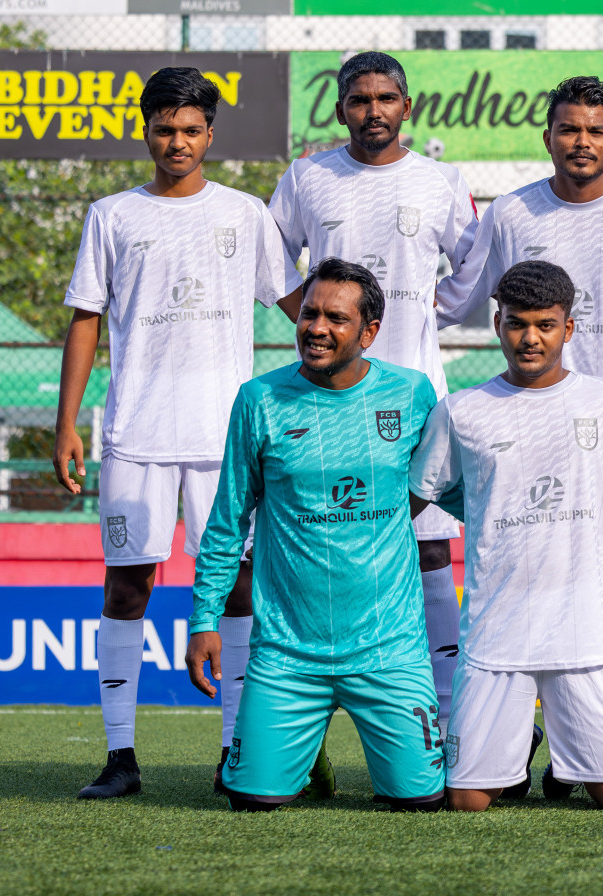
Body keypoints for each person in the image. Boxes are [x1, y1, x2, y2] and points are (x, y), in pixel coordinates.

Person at [435, 77, 603, 794]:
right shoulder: (511, 211)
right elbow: (455, 299)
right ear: (547, 136)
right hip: (523, 427)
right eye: (569, 129)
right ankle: (513, 739)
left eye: (595, 130)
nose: (582, 142)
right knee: (526, 589)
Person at [53, 67, 298, 800]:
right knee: (128, 585)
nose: (178, 142)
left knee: (239, 587)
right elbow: (86, 319)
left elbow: (297, 304)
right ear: (146, 131)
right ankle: (120, 756)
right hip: (136, 434)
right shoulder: (111, 215)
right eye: (165, 129)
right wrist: (67, 423)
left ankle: (233, 753)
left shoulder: (245, 214)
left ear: (210, 134)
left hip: (226, 441)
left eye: (192, 129)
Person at [185, 258, 447, 811]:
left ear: (369, 332)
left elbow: (448, 485)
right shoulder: (258, 399)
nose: (317, 328)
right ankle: (304, 751)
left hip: (389, 648)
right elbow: (228, 521)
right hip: (288, 653)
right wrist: (204, 618)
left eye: (336, 318)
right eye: (309, 313)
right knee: (252, 802)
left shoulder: (412, 393)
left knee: (420, 802)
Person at [266, 51, 478, 731]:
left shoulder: (441, 181)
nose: (373, 111)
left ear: (406, 107)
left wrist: (427, 316)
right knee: (318, 541)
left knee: (429, 546)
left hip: (413, 401)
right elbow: (270, 258)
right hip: (324, 399)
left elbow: (476, 267)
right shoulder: (307, 177)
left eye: (386, 99)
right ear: (340, 110)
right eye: (359, 100)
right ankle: (301, 721)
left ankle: (446, 718)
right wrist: (321, 326)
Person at [411, 260, 603, 811]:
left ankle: (566, 762)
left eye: (545, 324)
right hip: (496, 634)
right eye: (517, 323)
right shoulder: (461, 410)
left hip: (583, 632)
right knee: (468, 804)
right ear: (498, 324)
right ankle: (521, 754)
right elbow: (419, 495)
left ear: (569, 328)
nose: (530, 338)